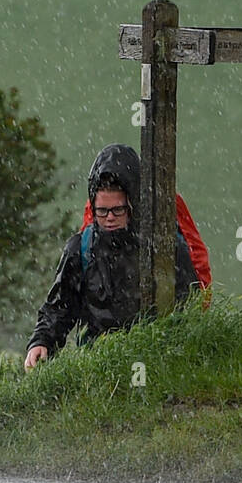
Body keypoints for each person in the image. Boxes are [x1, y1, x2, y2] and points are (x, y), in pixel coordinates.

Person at [24, 144, 198, 370]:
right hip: (96, 369)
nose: (109, 218)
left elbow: (189, 308)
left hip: (157, 366)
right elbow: (59, 307)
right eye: (102, 211)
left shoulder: (166, 249)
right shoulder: (81, 248)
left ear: (133, 206)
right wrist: (41, 342)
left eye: (118, 210)